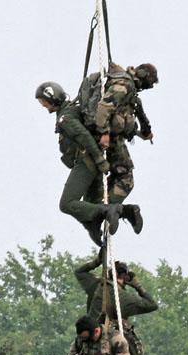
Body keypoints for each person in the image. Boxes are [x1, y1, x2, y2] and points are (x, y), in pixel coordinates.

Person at [35, 81, 141, 245]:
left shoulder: (66, 117)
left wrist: (99, 160)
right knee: (88, 204)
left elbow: (84, 137)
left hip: (87, 163)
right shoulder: (73, 108)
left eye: (44, 101)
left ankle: (111, 210)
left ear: (53, 98)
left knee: (67, 204)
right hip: (90, 161)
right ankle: (124, 212)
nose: (44, 105)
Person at [85, 63, 158, 212]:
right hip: (107, 138)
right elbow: (104, 108)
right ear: (143, 74)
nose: (146, 86)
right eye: (148, 82)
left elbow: (121, 119)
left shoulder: (129, 91)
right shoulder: (124, 85)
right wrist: (104, 134)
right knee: (126, 179)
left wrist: (138, 133)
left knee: (113, 177)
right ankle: (101, 211)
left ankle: (97, 206)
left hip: (111, 136)